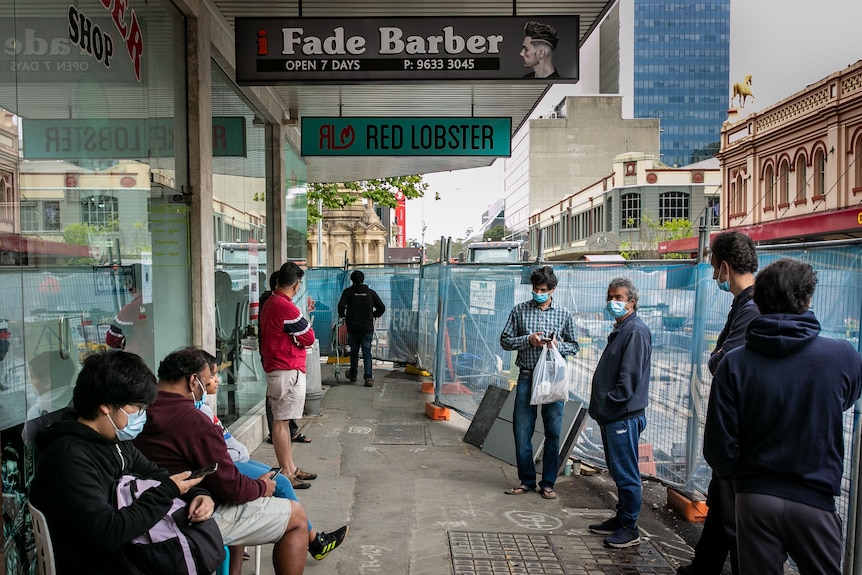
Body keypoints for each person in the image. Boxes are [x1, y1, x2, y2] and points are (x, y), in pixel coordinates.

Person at [704, 259, 862, 575]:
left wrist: (744, 476)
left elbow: (717, 448)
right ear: (808, 299)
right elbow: (844, 399)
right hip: (815, 499)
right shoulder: (843, 356)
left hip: (754, 497)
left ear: (758, 301)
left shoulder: (734, 364)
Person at [29, 351, 214, 575]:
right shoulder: (69, 458)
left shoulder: (115, 440)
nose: (142, 416)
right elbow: (108, 533)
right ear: (106, 405)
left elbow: (155, 474)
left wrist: (196, 494)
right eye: (137, 408)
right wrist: (167, 492)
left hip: (128, 555)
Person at [133, 348, 309, 575]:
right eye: (205, 383)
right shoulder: (195, 422)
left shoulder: (138, 412)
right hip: (185, 514)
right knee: (296, 517)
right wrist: (263, 486)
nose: (206, 389)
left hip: (150, 504)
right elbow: (230, 488)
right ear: (193, 381)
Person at [195, 350, 348, 561]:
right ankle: (315, 543)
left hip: (237, 460)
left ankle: (312, 541)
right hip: (228, 467)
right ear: (195, 381)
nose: (217, 380)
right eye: (211, 376)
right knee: (282, 483)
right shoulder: (192, 414)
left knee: (279, 479)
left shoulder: (200, 404)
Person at [677, 231, 759, 575]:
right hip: (732, 436)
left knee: (734, 519)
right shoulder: (744, 304)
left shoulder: (752, 307)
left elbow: (723, 362)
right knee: (721, 509)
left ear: (725, 267)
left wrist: (717, 356)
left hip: (740, 437)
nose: (714, 278)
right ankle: (703, 566)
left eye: (714, 269)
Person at [500, 265, 579, 500]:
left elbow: (574, 345)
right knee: (522, 430)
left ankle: (548, 483)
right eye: (535, 289)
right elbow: (505, 341)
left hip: (553, 379)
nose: (538, 293)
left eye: (543, 289)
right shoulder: (520, 310)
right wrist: (528, 340)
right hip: (527, 375)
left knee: (553, 432)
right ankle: (526, 480)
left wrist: (557, 346)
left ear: (553, 289)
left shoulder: (564, 314)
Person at [587, 277, 652, 549]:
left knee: (626, 474)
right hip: (614, 414)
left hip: (622, 415)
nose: (612, 302)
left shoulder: (635, 332)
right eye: (610, 296)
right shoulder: (624, 328)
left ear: (631, 303)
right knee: (618, 470)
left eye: (618, 298)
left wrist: (610, 402)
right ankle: (622, 517)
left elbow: (628, 380)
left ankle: (630, 527)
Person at [259, 262, 317, 487]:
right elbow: (308, 336)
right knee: (281, 422)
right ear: (296, 284)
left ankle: (291, 468)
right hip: (284, 368)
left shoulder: (273, 302)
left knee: (283, 420)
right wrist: (297, 338)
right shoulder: (283, 306)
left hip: (283, 367)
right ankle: (287, 472)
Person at [337, 270, 386, 387]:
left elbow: (341, 306)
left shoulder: (348, 292)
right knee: (367, 352)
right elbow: (382, 307)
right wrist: (373, 315)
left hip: (353, 327)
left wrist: (343, 315)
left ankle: (353, 375)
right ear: (363, 280)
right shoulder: (370, 293)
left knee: (354, 351)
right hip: (367, 327)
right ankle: (368, 378)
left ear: (352, 280)